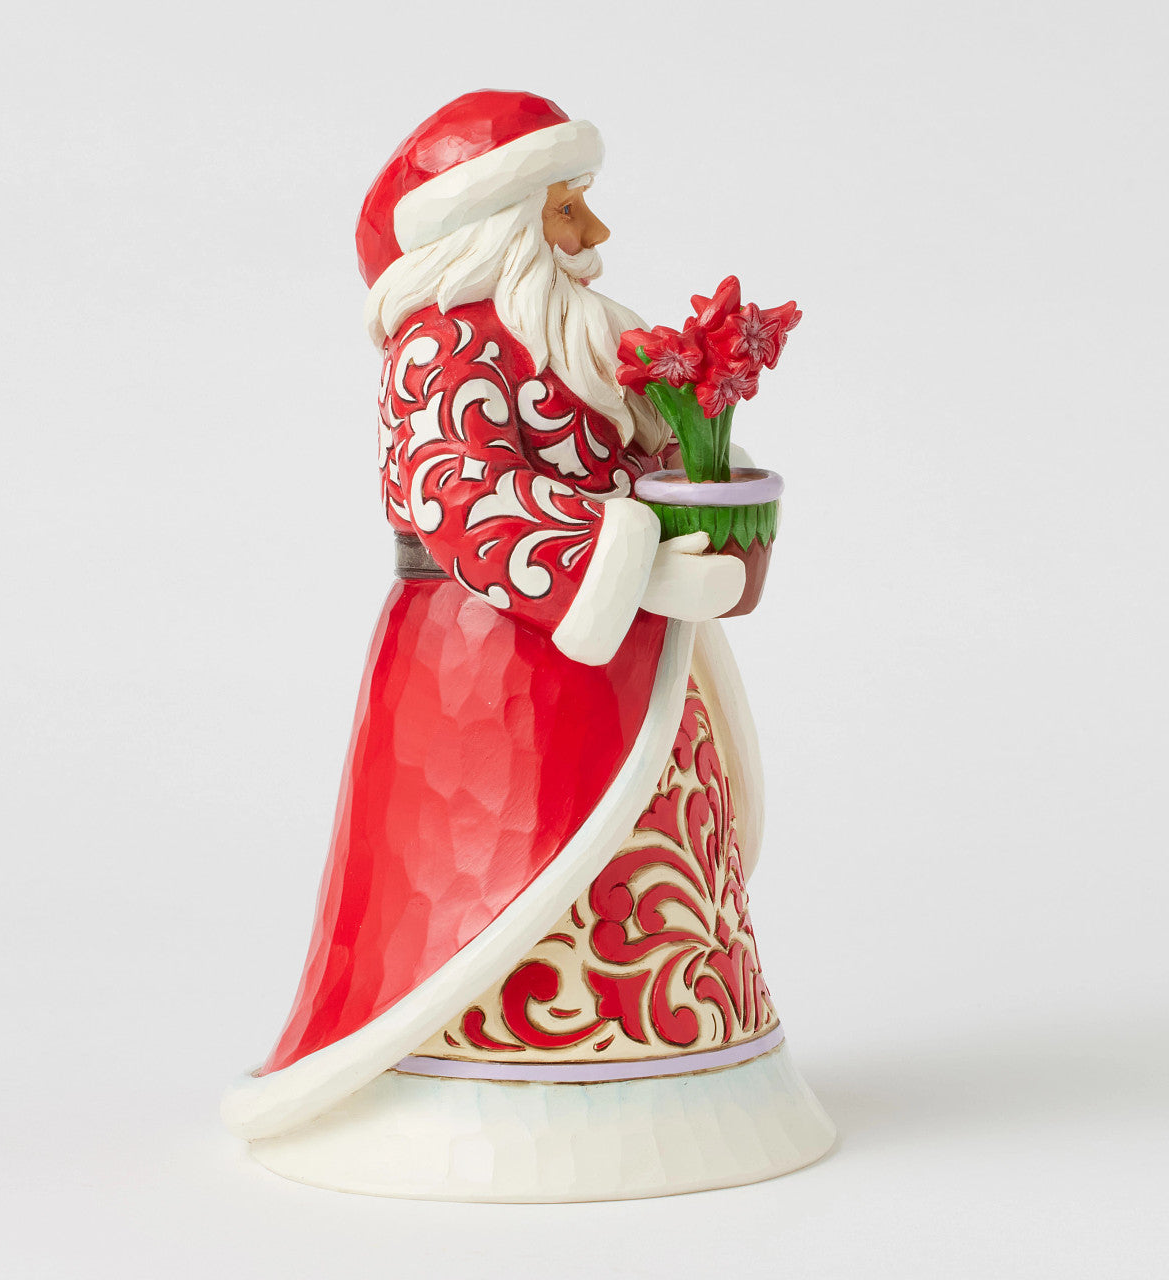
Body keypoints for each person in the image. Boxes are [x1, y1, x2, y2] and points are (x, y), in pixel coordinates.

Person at [222, 90, 834, 1200]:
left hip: (632, 662)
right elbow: (453, 491)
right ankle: (463, 1080)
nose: (594, 235)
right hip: (480, 671)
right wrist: (632, 554)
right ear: (497, 228)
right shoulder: (440, 347)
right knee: (491, 881)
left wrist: (708, 508)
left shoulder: (590, 337)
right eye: (565, 211)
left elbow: (654, 459)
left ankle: (683, 1063)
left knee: (643, 851)